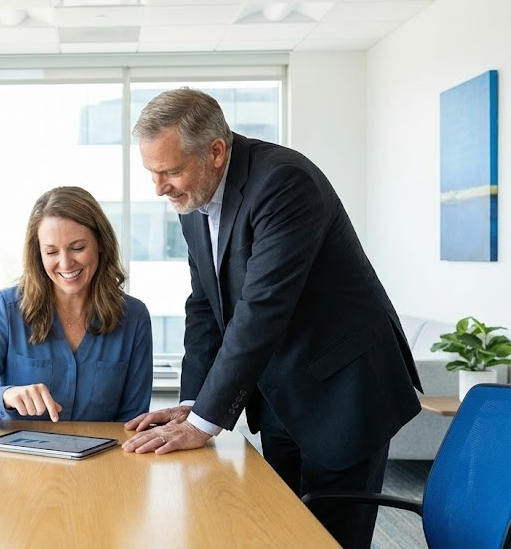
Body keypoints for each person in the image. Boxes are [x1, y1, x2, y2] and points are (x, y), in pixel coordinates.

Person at [121, 88, 422, 549]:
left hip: (345, 389)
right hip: (281, 390)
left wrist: (203, 424)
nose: (159, 188)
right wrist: (192, 401)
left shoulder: (284, 182)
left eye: (170, 171)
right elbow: (204, 306)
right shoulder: (193, 202)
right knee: (281, 530)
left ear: (216, 151)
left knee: (331, 538)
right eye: (152, 172)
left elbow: (260, 309)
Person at [0, 186, 153, 425]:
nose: (65, 263)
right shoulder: (7, 308)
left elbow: (133, 421)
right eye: (51, 251)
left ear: (100, 244)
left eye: (77, 248)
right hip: (22, 458)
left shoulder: (133, 317)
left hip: (99, 460)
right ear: (39, 254)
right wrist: (6, 396)